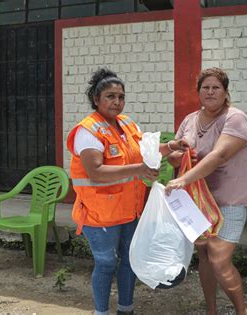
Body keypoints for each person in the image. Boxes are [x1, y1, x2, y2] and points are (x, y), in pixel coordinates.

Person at [66, 68, 188, 315]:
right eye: (110, 96)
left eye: (121, 96)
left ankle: (126, 309)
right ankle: (101, 312)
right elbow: (96, 172)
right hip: (99, 214)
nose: (117, 102)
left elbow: (146, 152)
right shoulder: (87, 131)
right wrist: (139, 170)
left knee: (131, 260)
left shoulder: (127, 123)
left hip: (129, 211)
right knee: (106, 262)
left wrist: (169, 146)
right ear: (96, 99)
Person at [164, 68, 247, 315]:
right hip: (197, 202)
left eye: (216, 87)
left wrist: (184, 179)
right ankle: (211, 310)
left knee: (218, 259)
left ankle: (241, 310)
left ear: (226, 92)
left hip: (228, 201)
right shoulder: (190, 120)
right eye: (205, 87)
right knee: (204, 256)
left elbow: (220, 155)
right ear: (198, 92)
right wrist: (180, 154)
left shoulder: (235, 119)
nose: (210, 91)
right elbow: (173, 158)